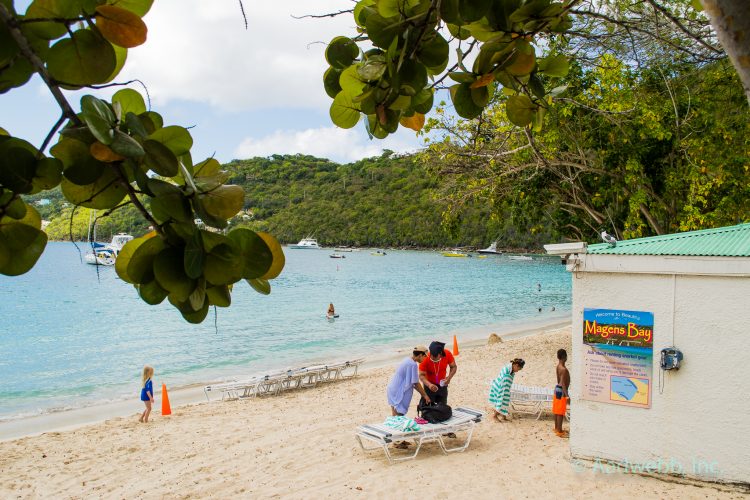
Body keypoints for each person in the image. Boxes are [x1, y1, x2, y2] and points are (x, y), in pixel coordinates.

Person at [387, 345, 431, 449]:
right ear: (420, 355)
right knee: (399, 416)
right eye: (425, 356)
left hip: (393, 388)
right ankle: (397, 442)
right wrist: (425, 395)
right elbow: (415, 383)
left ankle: (399, 440)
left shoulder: (407, 360)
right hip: (398, 391)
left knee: (396, 417)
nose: (425, 359)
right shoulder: (412, 364)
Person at [418, 341, 457, 406]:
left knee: (442, 407)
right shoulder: (425, 358)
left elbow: (453, 367)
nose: (433, 359)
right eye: (432, 356)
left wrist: (449, 378)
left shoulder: (447, 354)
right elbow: (421, 375)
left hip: (443, 385)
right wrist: (429, 385)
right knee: (428, 408)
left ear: (441, 354)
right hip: (429, 386)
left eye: (436, 357)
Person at [553, 349, 570, 437]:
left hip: (557, 389)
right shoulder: (564, 369)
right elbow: (563, 383)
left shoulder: (558, 366)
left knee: (557, 410)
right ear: (565, 357)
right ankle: (559, 431)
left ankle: (556, 428)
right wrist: (567, 396)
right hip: (562, 391)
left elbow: (558, 380)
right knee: (560, 412)